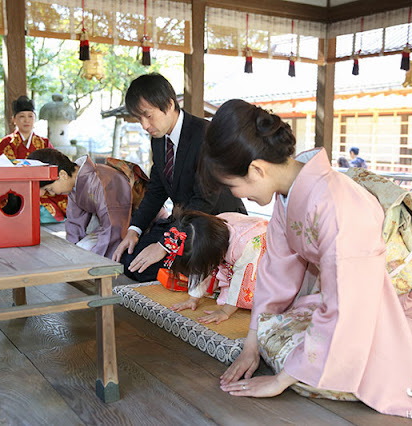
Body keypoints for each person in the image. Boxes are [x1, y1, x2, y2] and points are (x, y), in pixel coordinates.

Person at [200, 99, 412, 417]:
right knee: (271, 337)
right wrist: (250, 347)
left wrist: (280, 381)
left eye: (233, 186)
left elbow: (348, 307)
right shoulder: (288, 195)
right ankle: (410, 355)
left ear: (257, 169)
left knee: (321, 377)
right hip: (360, 301)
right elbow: (274, 274)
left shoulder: (337, 206)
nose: (237, 195)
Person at [111, 73, 246, 281]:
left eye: (148, 115)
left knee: (146, 268)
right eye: (139, 119)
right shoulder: (159, 140)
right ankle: (198, 274)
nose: (144, 125)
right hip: (183, 223)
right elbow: (156, 190)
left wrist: (166, 245)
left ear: (169, 104)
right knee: (130, 262)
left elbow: (205, 200)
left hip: (214, 223)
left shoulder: (204, 134)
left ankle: (212, 275)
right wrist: (134, 230)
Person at [157, 209, 268, 324]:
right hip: (241, 253)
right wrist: (193, 298)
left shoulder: (248, 245)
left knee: (257, 295)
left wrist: (225, 311)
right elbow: (202, 268)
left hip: (264, 263)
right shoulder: (207, 231)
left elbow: (242, 280)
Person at [27, 148, 132, 259]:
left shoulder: (99, 182)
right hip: (110, 226)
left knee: (88, 253)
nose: (52, 194)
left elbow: (114, 227)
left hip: (129, 226)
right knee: (80, 249)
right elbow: (75, 222)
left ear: (62, 175)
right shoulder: (75, 183)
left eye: (50, 189)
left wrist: (97, 261)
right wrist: (72, 251)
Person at [0, 95, 67, 223]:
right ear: (14, 120)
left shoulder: (43, 142)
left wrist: (43, 188)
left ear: (34, 119)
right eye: (21, 116)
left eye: (30, 116)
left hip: (43, 191)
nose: (26, 120)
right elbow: (0, 172)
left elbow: (56, 166)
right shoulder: (6, 143)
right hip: (15, 193)